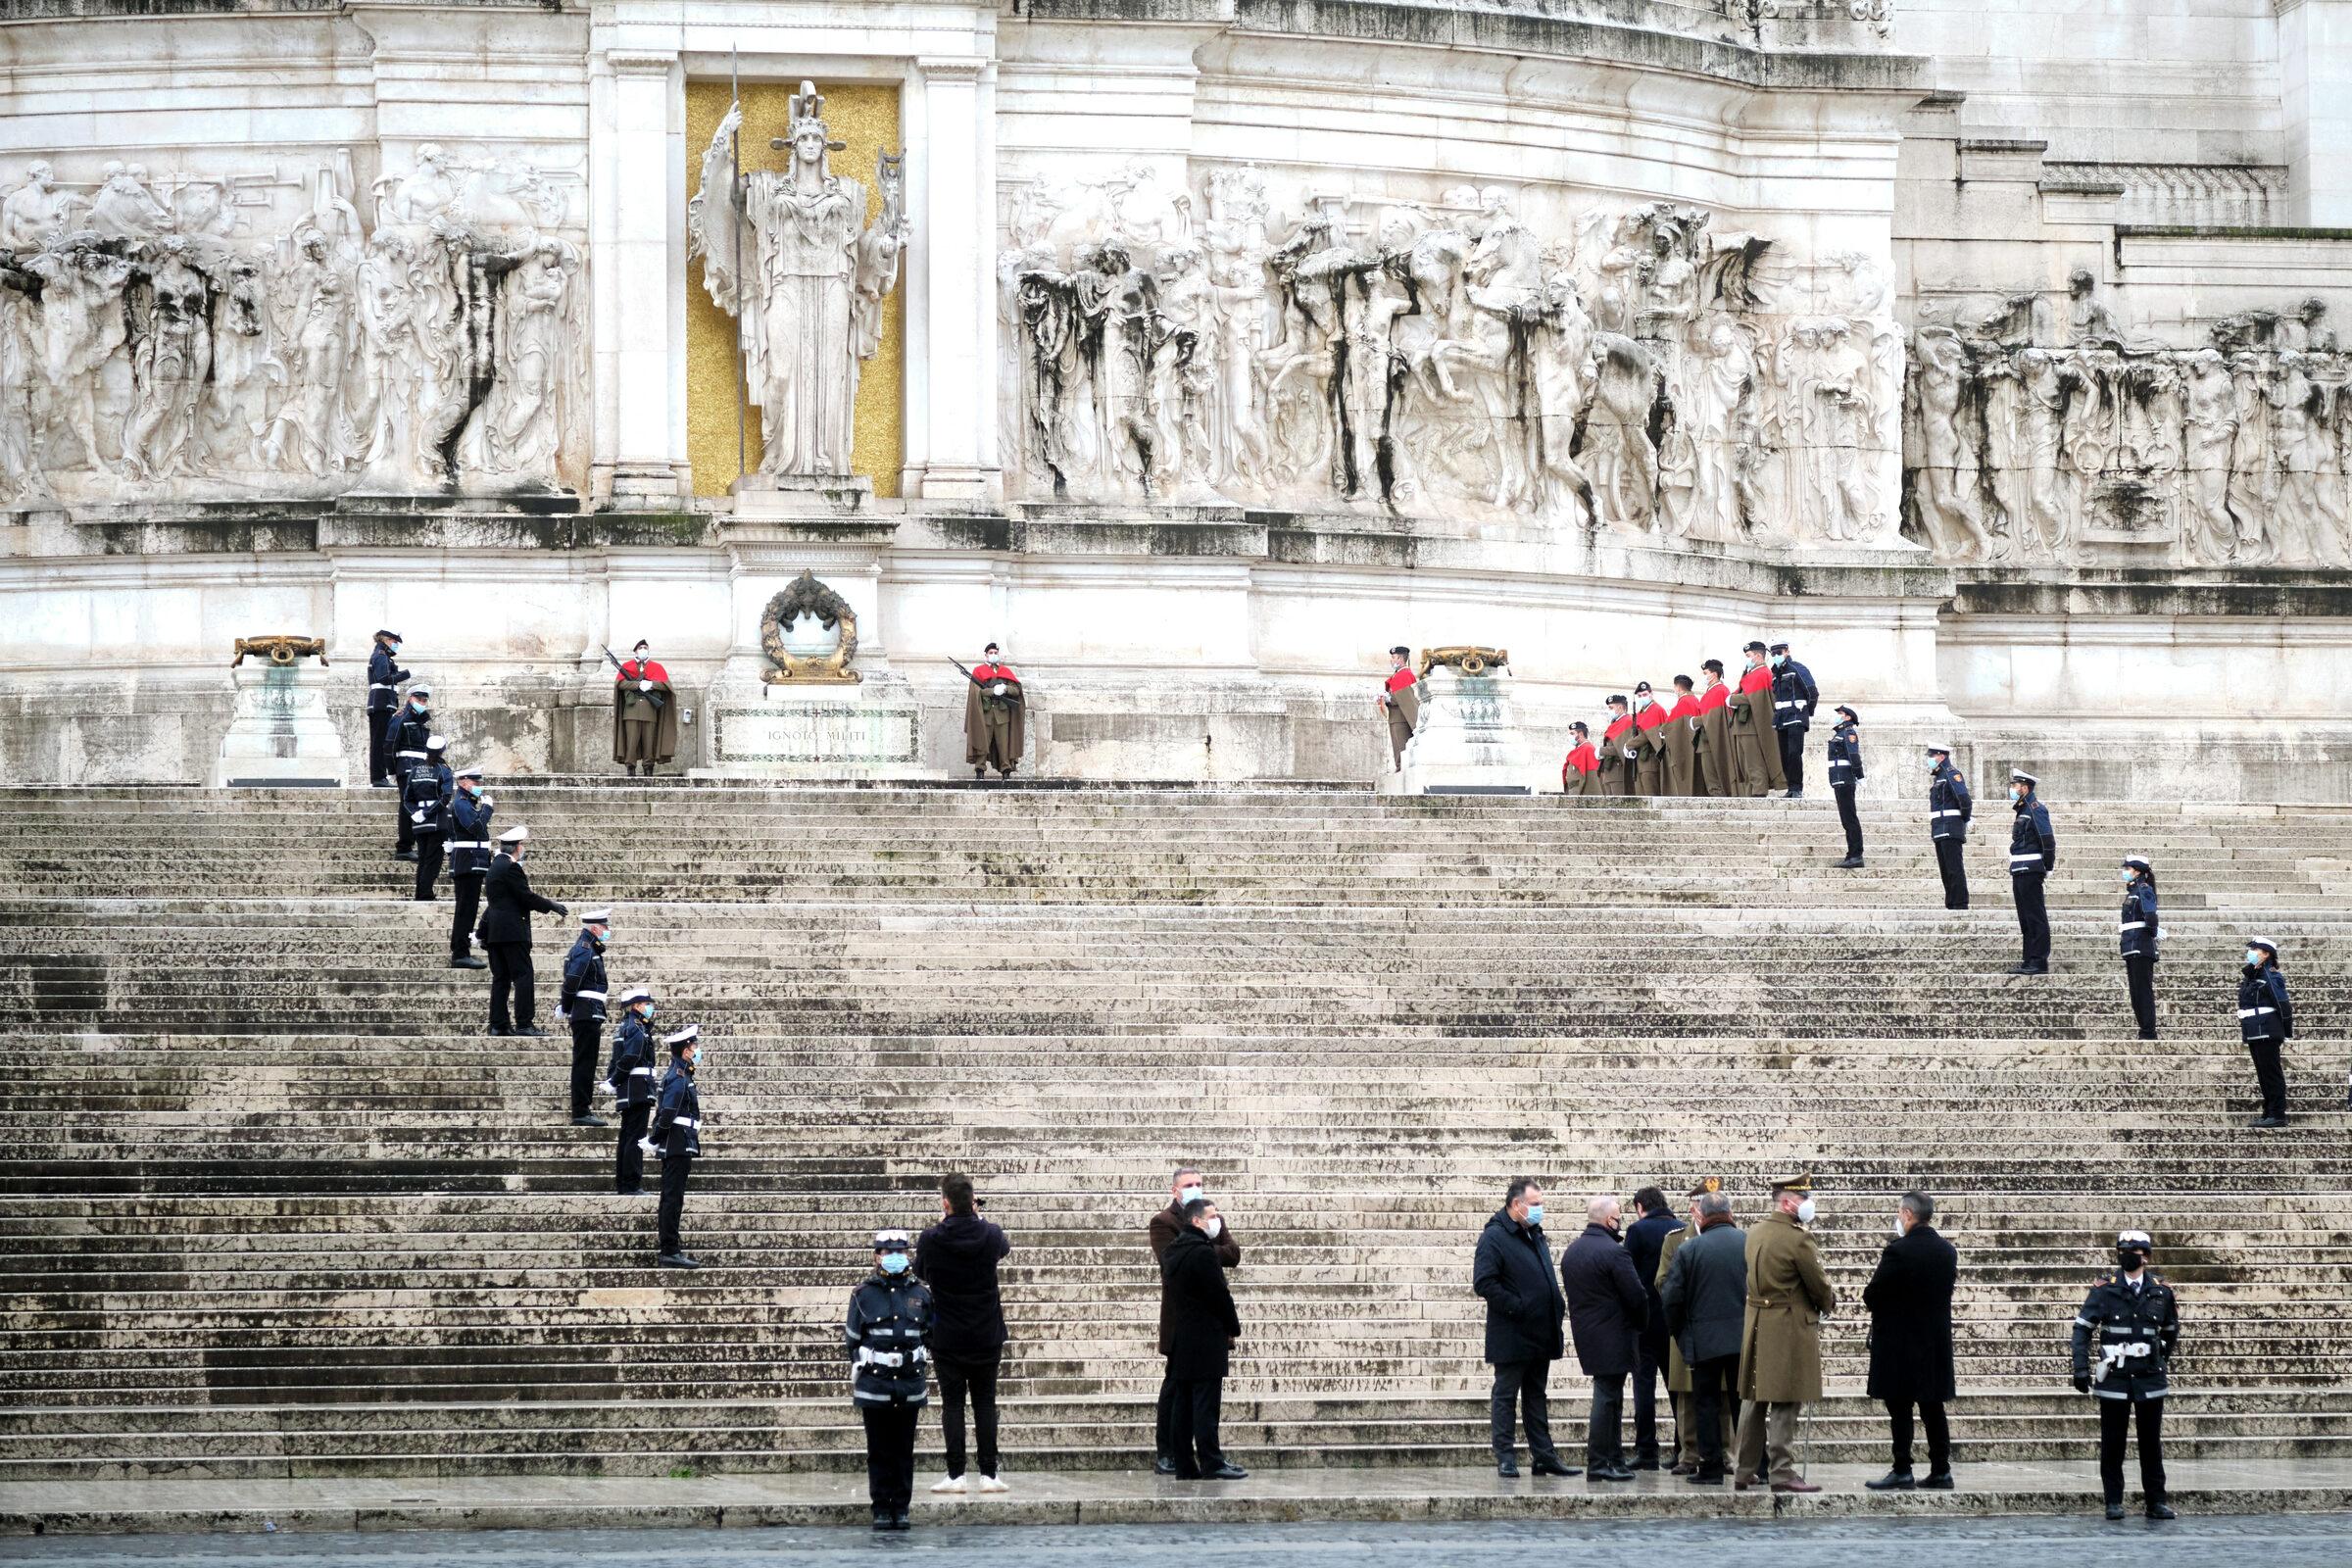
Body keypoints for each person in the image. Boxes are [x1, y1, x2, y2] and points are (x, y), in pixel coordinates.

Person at [1734, 1172, 1836, 1494]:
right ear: (1789, 1203)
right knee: (1786, 1400)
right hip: (1788, 1326)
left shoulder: (1755, 1232)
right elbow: (1817, 1283)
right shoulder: (1798, 1238)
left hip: (1757, 1322)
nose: (1808, 1204)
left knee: (1754, 1398)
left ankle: (1743, 1469)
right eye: (1804, 1199)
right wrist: (1827, 1302)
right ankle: (1781, 1472)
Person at [2071, 1228, 2180, 1521]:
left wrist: (2159, 1357)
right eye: (2123, 1252)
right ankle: (2113, 1501)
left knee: (2151, 1443)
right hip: (2115, 1376)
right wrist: (2080, 1367)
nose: (2127, 1257)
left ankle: (2156, 1501)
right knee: (2113, 1443)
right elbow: (2082, 1329)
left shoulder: (2161, 1290)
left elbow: (2170, 1331)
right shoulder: (2105, 1289)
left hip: (2149, 1376)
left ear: (2146, 1257)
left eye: (2133, 1252)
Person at [1473, 1178, 1577, 1478]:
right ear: (1516, 1204)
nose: (1539, 1209)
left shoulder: (1534, 1233)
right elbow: (1484, 1282)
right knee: (1505, 1395)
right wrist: (1518, 1307)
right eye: (1535, 1204)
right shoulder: (1494, 1236)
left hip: (1540, 1331)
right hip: (1512, 1332)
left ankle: (1544, 1455)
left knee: (1536, 1395)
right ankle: (1505, 1457)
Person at [918, 1173, 1013, 1494]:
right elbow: (1004, 1249)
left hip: (948, 1335)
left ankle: (956, 1474)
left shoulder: (931, 1238)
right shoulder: (990, 1233)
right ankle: (989, 1473)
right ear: (972, 1201)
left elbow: (920, 1271)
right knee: (985, 1403)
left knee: (953, 1404)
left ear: (945, 1203)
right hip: (986, 1333)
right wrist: (978, 1218)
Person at [1862, 1191, 1958, 1492]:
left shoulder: (1898, 1251)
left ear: (1907, 1214)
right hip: (1934, 1343)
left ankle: (1902, 1468)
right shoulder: (1947, 1251)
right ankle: (1941, 1469)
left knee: (1900, 1407)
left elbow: (1873, 1294)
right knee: (1933, 1408)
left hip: (1900, 1343)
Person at [1149, 1167, 1241, 1474]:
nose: (1195, 1188)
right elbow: (1172, 1260)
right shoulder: (1163, 1221)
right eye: (1189, 1184)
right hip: (1181, 1317)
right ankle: (1168, 1453)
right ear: (1175, 1190)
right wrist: (1202, 1248)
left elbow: (1233, 1253)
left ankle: (1193, 1458)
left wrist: (1199, 1247)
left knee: (1195, 1394)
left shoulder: (1211, 1214)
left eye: (1199, 1183)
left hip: (1207, 1318)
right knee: (1175, 1389)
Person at [846, 1227, 934, 1531]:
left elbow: (930, 1334)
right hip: (876, 1385)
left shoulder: (922, 1294)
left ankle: (902, 1507)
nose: (894, 1256)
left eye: (900, 1251)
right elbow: (853, 1341)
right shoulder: (862, 1295)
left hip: (909, 1384)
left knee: (903, 1451)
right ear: (877, 1256)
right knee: (879, 1451)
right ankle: (881, 1508)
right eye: (888, 1251)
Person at [1659, 1186, 1745, 1484]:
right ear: (1729, 1213)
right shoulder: (1747, 1241)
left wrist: (1680, 1331)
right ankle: (1753, 1466)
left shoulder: (1690, 1248)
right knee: (1740, 1402)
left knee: (1707, 1404)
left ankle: (1712, 1467)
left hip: (1703, 1339)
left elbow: (1671, 1297)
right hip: (1739, 1337)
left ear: (1703, 1214)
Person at [1559, 1196, 1647, 1482]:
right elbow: (1637, 1295)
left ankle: (1614, 1459)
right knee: (1608, 1397)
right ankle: (1599, 1462)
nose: (1620, 1221)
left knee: (1611, 1396)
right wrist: (1641, 1324)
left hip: (1588, 1334)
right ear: (1610, 1220)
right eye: (1618, 1217)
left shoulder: (1572, 1252)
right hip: (1615, 1334)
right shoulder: (1615, 1253)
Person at [480, 825, 565, 1038]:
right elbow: (525, 896)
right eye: (522, 845)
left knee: (501, 978)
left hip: (496, 933)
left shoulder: (494, 867)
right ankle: (524, 1023)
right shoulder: (511, 868)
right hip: (512, 932)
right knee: (523, 975)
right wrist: (551, 905)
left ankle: (498, 1024)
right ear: (517, 847)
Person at [1621, 1186, 1679, 1469]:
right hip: (1674, 1322)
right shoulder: (1681, 1229)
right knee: (1678, 1388)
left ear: (1640, 1207)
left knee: (1643, 1388)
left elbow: (1626, 1272)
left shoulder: (1637, 1231)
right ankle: (1683, 1448)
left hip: (1644, 1323)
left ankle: (1647, 1451)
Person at [647, 1023, 704, 1268]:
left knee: (672, 1197)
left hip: (679, 1142)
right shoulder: (679, 1078)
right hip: (677, 1144)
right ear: (685, 1050)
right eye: (694, 1046)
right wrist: (655, 1138)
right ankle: (669, 1250)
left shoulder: (681, 1074)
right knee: (672, 1198)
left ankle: (670, 1247)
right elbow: (668, 1112)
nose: (697, 1050)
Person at [558, 909, 612, 1128]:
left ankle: (583, 1108)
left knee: (587, 1061)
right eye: (605, 927)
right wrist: (566, 1006)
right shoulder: (585, 949)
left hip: (589, 1010)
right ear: (595, 928)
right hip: (586, 1011)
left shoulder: (589, 947)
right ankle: (581, 1110)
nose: (607, 931)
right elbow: (572, 980)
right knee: (585, 1062)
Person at [603, 985, 658, 1195]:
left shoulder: (626, 1026)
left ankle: (624, 1183)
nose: (649, 1007)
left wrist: (613, 1079)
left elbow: (616, 1059)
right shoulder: (636, 1027)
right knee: (635, 1137)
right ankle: (631, 1183)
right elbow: (631, 1057)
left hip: (629, 1088)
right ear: (636, 1006)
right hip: (638, 1088)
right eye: (646, 1004)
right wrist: (614, 1080)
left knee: (627, 1136)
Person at [2007, 769, 2057, 974]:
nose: (2012, 789)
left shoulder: (2036, 809)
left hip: (2031, 869)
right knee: (2025, 918)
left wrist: (2048, 866)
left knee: (2035, 917)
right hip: (2019, 869)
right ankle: (2029, 959)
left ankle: (2039, 961)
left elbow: (2047, 839)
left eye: (2015, 785)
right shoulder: (2023, 809)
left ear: (2025, 788)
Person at [445, 767, 495, 968]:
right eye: (476, 783)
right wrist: (487, 809)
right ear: (464, 782)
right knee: (466, 911)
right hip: (468, 862)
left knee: (467, 910)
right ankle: (460, 953)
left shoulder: (466, 802)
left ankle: (460, 950)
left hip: (471, 862)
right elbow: (475, 827)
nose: (479, 786)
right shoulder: (461, 803)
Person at [2240, 937, 2293, 1127]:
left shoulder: (2271, 976)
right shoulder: (2253, 974)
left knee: (2271, 1074)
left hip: (2267, 1031)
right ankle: (2268, 1111)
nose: (2251, 952)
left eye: (2255, 949)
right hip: (2255, 1031)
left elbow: (2283, 1004)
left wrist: (2286, 1031)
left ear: (2266, 954)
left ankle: (2277, 1114)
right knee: (2263, 1075)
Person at [612, 639, 678, 777]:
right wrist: (637, 685)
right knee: (631, 742)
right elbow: (620, 684)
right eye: (640, 648)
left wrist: (651, 684)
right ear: (635, 651)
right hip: (631, 711)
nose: (643, 650)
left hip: (650, 711)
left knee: (649, 742)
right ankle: (630, 768)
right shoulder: (627, 666)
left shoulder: (656, 667)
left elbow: (666, 685)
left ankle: (648, 768)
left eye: (645, 647)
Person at [1728, 645, 1785, 796]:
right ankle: (1750, 794)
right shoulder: (1752, 674)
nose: (1747, 659)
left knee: (1754, 763)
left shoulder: (1762, 673)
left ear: (1758, 656)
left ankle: (1759, 792)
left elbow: (1753, 698)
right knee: (1745, 765)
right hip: (1743, 726)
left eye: (1749, 655)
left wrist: (1732, 699)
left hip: (1751, 726)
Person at [402, 736, 454, 899]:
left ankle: (420, 892)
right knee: (433, 860)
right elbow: (445, 797)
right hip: (437, 820)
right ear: (442, 751)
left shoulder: (415, 770)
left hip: (419, 821)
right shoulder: (443, 770)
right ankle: (425, 893)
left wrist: (415, 812)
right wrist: (427, 813)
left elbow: (407, 799)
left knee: (423, 858)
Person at [966, 643, 1026, 780]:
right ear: (986, 655)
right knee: (982, 742)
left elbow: (1016, 690)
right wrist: (992, 691)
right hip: (985, 714)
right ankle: (980, 769)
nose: (993, 655)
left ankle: (1006, 770)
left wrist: (1005, 688)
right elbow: (977, 692)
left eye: (995, 652)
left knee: (1003, 744)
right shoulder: (978, 671)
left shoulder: (1005, 671)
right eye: (991, 653)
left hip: (1002, 714)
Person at [388, 685, 434, 860]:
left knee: (417, 805)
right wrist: (392, 770)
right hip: (406, 767)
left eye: (424, 700)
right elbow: (389, 745)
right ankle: (404, 847)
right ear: (410, 699)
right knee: (407, 805)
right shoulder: (401, 718)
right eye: (418, 699)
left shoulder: (421, 720)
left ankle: (415, 844)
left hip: (420, 768)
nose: (422, 703)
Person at [1768, 640, 1817, 798]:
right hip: (1781, 719)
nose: (1776, 656)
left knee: (1794, 753)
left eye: (1779, 653)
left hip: (1796, 717)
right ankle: (1791, 787)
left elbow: (1812, 692)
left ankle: (1797, 788)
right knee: (1784, 755)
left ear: (1787, 651)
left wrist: (1806, 712)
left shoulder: (1798, 668)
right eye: (1773, 654)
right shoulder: (1775, 673)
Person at [1927, 744, 1972, 910]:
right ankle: (1951, 903)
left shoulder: (1951, 774)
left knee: (1954, 868)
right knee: (1945, 870)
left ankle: (1960, 903)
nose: (1930, 760)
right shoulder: (1939, 776)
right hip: (1939, 828)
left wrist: (1965, 818)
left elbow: (1964, 798)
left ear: (1941, 757)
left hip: (1951, 827)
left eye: (1932, 756)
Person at [2120, 858, 2159, 1041]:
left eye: (2128, 868)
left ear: (2136, 871)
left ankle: (2148, 1032)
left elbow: (2150, 917)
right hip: (2131, 946)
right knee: (2136, 993)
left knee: (2142, 991)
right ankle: (2144, 1030)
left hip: (2140, 946)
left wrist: (2152, 933)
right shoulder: (2133, 891)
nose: (2125, 872)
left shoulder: (2143, 889)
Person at [365, 628, 410, 788]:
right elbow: (384, 678)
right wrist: (405, 674)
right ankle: (378, 777)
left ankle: (380, 776)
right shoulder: (381, 656)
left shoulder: (383, 656)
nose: (396, 645)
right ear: (386, 640)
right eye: (395, 642)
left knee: (381, 741)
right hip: (381, 704)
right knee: (379, 742)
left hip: (384, 703)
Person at [1826, 706, 1864, 867]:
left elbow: (1853, 755)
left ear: (1848, 717)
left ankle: (1856, 855)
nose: (1838, 716)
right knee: (1846, 819)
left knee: (1850, 818)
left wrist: (1860, 775)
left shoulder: (1848, 733)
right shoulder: (1840, 733)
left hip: (1845, 780)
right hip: (1838, 780)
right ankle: (1851, 854)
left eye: (1841, 714)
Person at [1691, 661, 1733, 798]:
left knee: (1715, 778)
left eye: (1705, 673)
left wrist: (1696, 721)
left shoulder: (1720, 691)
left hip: (1715, 739)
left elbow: (1714, 718)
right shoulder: (1710, 692)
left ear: (1714, 675)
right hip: (1706, 739)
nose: (1704, 676)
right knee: (1710, 777)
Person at [1378, 646, 1419, 772]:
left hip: (1401, 719)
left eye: (1393, 657)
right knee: (1398, 749)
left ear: (1400, 658)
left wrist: (1387, 698)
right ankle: (1400, 769)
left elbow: (1403, 699)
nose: (1391, 660)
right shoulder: (1399, 674)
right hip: (1396, 718)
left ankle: (1402, 770)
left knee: (1401, 749)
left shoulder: (1404, 674)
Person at [1663, 676, 1700, 797]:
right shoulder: (1694, 699)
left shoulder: (1684, 702)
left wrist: (1662, 730)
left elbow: (1671, 726)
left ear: (1678, 687)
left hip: (1685, 747)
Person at [1629, 682, 1669, 796]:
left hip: (1650, 759)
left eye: (1645, 694)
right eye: (1639, 696)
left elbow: (1647, 735)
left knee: (1651, 795)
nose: (1642, 697)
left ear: (1651, 694)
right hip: (1640, 760)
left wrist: (1629, 745)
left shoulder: (1656, 710)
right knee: (1642, 797)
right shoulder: (1640, 713)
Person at [1599, 696, 1636, 797]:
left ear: (1620, 707)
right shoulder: (1615, 723)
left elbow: (1622, 748)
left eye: (1611, 708)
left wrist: (1601, 751)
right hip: (1609, 770)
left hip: (1619, 771)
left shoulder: (1627, 721)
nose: (1608, 711)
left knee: (1619, 802)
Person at [1561, 721, 1603, 796]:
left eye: (1572, 733)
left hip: (1580, 790)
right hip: (1573, 789)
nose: (1570, 736)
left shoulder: (1588, 749)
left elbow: (1592, 776)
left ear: (1580, 734)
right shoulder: (1579, 749)